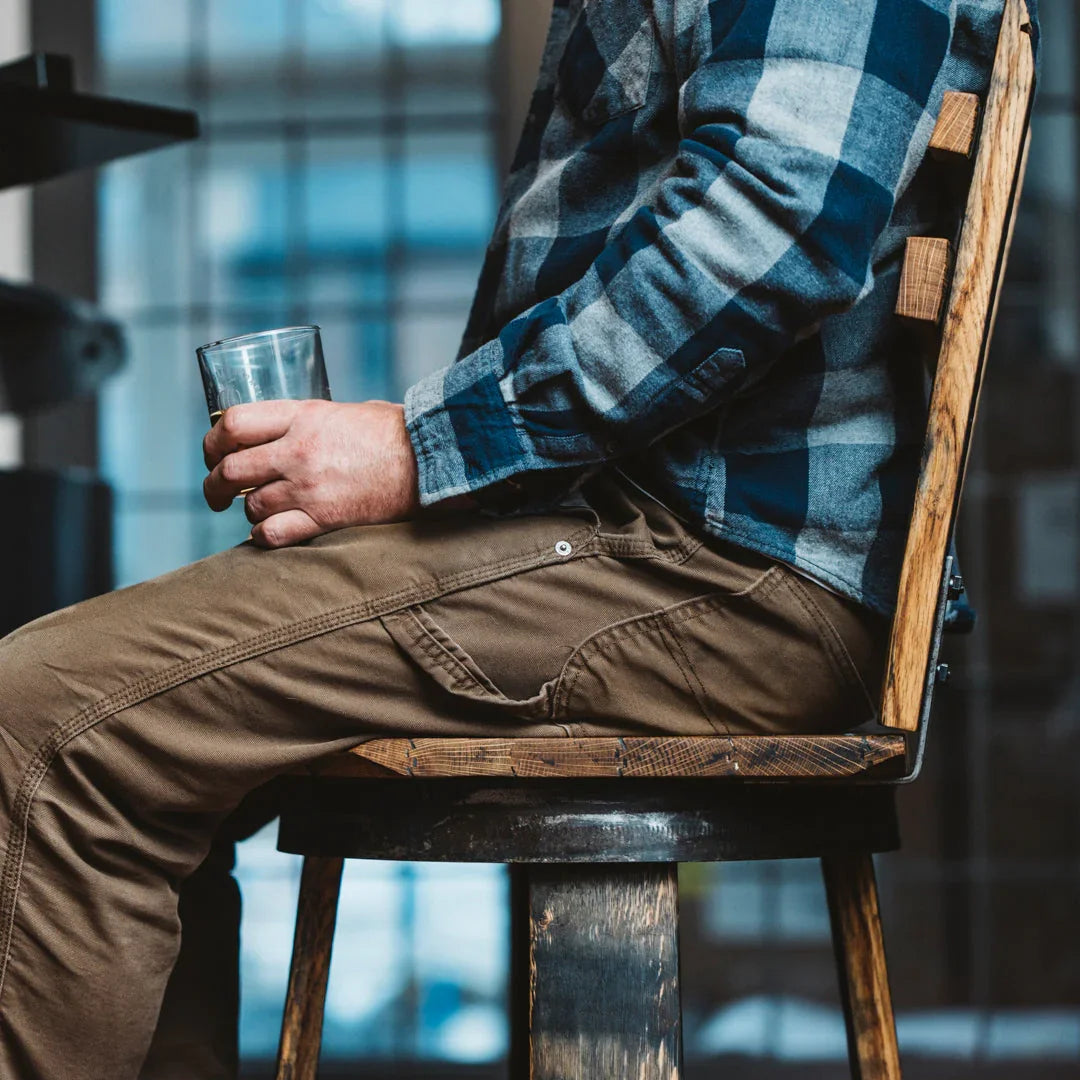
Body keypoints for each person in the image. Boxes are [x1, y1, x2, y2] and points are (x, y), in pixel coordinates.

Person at [0, 1, 1019, 1076]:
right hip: (658, 542)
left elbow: (781, 218)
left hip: (719, 564)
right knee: (120, 746)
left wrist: (417, 448)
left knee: (40, 729)